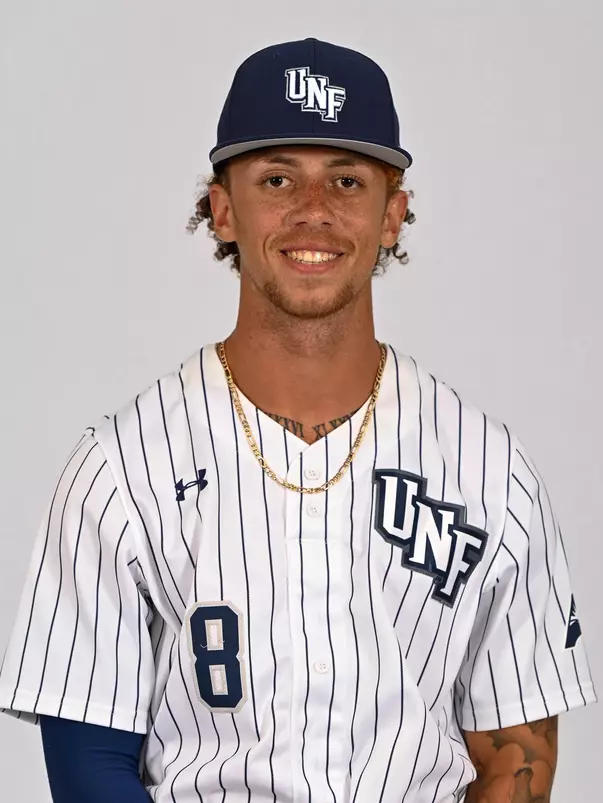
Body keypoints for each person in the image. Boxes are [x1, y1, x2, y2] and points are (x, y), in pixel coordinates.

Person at [0, 37, 596, 803]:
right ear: (222, 209)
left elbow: (514, 755)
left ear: (393, 213)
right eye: (276, 178)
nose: (313, 211)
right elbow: (89, 768)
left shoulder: (489, 471)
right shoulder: (120, 469)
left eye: (346, 180)